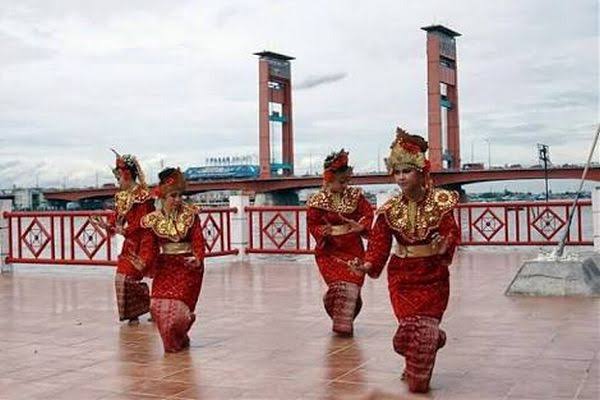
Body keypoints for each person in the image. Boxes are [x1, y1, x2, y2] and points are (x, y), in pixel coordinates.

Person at [350, 128, 460, 392]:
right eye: (397, 172)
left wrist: (444, 244)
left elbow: (451, 231)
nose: (400, 178)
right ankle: (423, 352)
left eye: (406, 171)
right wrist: (366, 264)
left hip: (433, 274)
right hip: (402, 276)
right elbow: (379, 243)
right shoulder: (390, 209)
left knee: (426, 324)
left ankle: (421, 362)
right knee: (409, 326)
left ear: (420, 172)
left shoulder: (440, 202)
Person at [135, 167, 205, 353]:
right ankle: (175, 340)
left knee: (178, 313)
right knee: (157, 306)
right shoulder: (153, 220)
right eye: (173, 196)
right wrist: (142, 262)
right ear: (163, 198)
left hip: (187, 266)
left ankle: (179, 336)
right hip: (165, 266)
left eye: (179, 195)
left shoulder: (190, 215)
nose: (177, 200)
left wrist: (197, 259)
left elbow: (198, 240)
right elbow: (149, 247)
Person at [307, 149, 374, 336]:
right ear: (329, 179)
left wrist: (361, 226)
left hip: (353, 247)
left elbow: (368, 214)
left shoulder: (355, 197)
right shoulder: (318, 200)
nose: (345, 186)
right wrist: (323, 231)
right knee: (339, 287)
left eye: (347, 182)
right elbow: (312, 222)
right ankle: (343, 326)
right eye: (341, 182)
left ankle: (342, 318)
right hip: (329, 251)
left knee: (351, 288)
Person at [91, 150, 154, 324]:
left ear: (127, 175)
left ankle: (150, 304)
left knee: (128, 278)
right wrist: (106, 224)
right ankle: (135, 313)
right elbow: (117, 219)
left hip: (145, 243)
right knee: (121, 278)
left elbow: (145, 223)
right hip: (130, 244)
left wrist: (122, 231)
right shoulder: (121, 197)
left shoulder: (143, 196)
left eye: (118, 178)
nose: (117, 182)